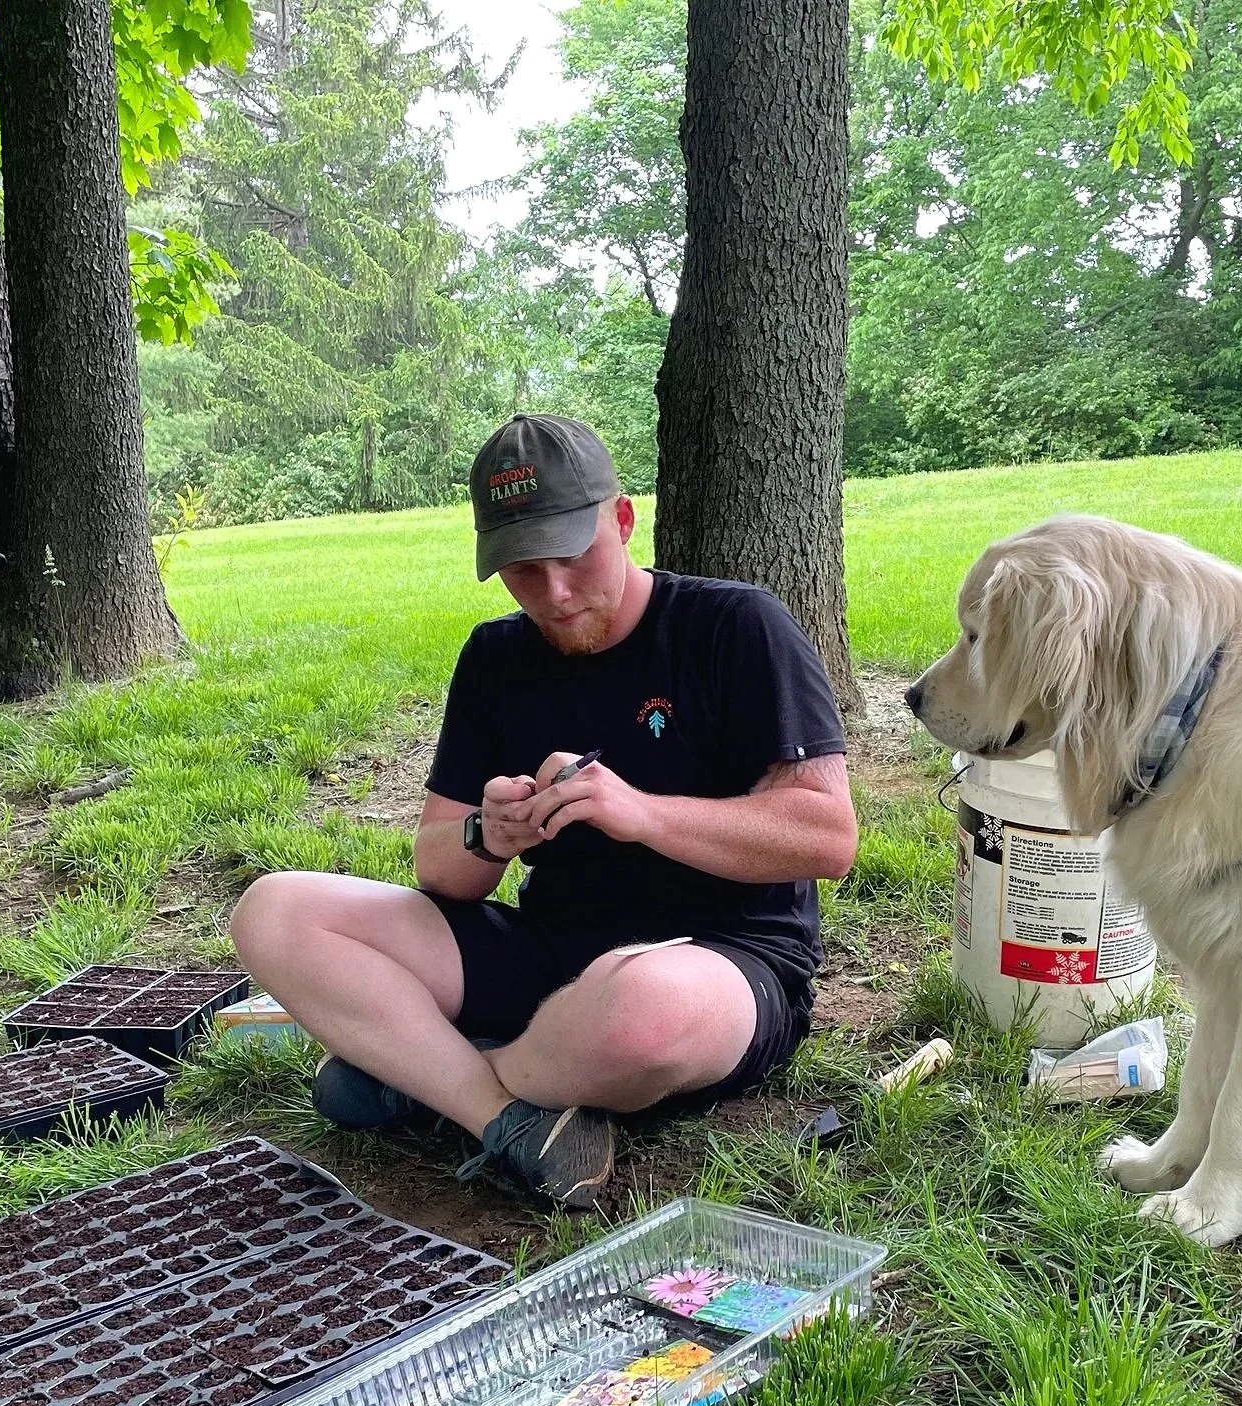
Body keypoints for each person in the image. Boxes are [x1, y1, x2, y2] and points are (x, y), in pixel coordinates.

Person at [231, 414, 858, 1208]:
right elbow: (440, 870)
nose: (555, 594)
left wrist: (640, 812)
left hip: (722, 965)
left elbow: (828, 836)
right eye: (525, 570)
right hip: (546, 952)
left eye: (573, 556)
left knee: (640, 1011)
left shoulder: (734, 626)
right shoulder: (494, 657)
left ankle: (430, 1075)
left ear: (624, 519)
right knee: (275, 910)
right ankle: (504, 1114)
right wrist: (488, 833)